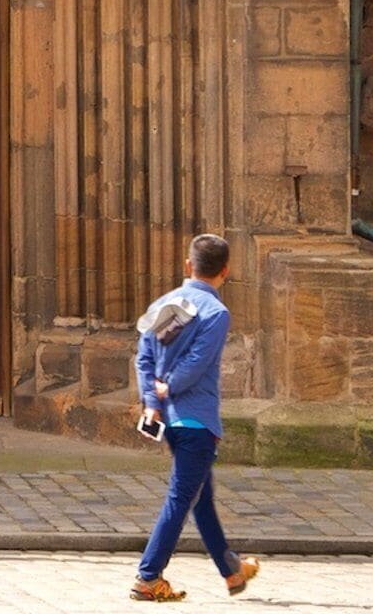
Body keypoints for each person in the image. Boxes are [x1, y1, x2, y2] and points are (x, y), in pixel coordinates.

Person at [130, 233, 258, 600]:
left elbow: (144, 358)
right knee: (181, 497)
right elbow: (198, 362)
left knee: (201, 496)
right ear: (226, 271)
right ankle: (148, 576)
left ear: (188, 265)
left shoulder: (166, 302)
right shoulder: (216, 313)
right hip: (196, 421)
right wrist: (169, 385)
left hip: (169, 420)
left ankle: (231, 571)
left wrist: (152, 400)